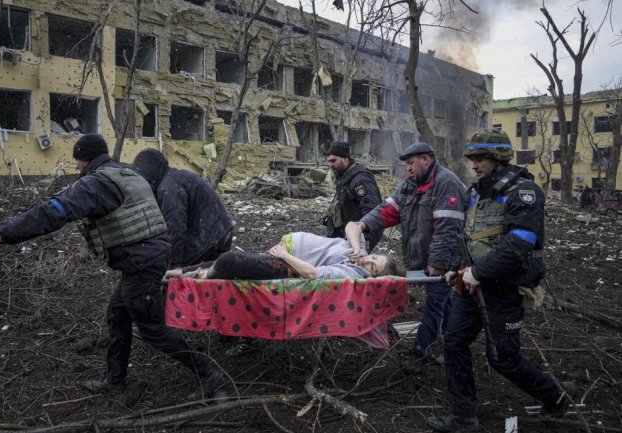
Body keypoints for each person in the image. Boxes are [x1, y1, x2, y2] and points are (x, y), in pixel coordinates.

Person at [0, 134, 222, 397]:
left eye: (77, 162)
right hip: (148, 257)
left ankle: (207, 372)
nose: (76, 167)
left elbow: (54, 211)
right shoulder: (125, 173)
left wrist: (6, 234)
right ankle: (114, 380)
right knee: (117, 315)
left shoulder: (96, 184)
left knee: (152, 329)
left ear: (85, 160)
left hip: (141, 262)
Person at [426, 130, 576, 431]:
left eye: (480, 158)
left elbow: (519, 244)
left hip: (503, 289)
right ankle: (463, 417)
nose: (474, 164)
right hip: (471, 287)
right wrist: (460, 268)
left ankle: (556, 398)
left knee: (503, 359)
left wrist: (477, 273)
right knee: (454, 342)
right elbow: (471, 238)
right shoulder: (477, 192)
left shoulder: (524, 193)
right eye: (473, 159)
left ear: (498, 159)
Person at [352, 142, 467, 370]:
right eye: (406, 164)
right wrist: (363, 224)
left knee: (434, 304)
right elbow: (387, 210)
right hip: (423, 258)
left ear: (426, 159)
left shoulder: (447, 183)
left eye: (411, 163)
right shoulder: (409, 186)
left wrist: (437, 263)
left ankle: (420, 353)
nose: (408, 168)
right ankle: (457, 344)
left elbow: (447, 229)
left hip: (446, 260)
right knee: (444, 303)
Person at [132, 148, 235, 270]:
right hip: (221, 227)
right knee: (212, 275)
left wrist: (175, 264)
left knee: (175, 273)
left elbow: (175, 227)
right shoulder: (173, 178)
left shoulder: (168, 188)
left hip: (209, 232)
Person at [187, 223, 402, 280]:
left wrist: (284, 255)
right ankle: (183, 272)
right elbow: (352, 226)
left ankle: (198, 277)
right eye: (374, 258)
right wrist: (357, 248)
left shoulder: (352, 273)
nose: (368, 262)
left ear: (372, 277)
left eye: (373, 268)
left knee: (229, 261)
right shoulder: (360, 253)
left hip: (287, 263)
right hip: (285, 251)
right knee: (226, 261)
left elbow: (312, 274)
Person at [324, 141, 383, 252]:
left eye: (334, 161)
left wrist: (366, 236)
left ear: (346, 158)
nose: (330, 165)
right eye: (329, 161)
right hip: (348, 234)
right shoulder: (345, 177)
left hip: (359, 235)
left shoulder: (360, 179)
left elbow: (372, 209)